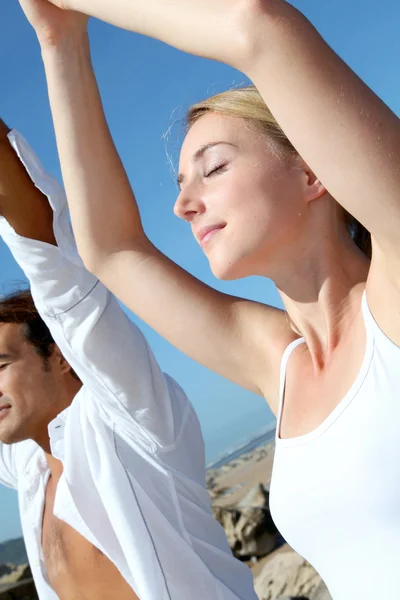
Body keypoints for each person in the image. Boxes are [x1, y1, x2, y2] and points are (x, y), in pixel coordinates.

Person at [18, 0, 400, 598]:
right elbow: (111, 250)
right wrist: (58, 38)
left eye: (213, 167)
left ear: (312, 173)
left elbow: (260, 28)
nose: (183, 204)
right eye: (180, 184)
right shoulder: (280, 364)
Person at [0, 118, 258, 600]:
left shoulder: (127, 421)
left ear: (59, 356)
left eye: (0, 367)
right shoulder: (28, 466)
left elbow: (58, 271)